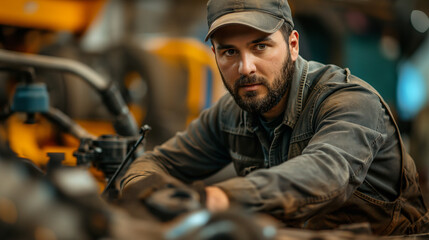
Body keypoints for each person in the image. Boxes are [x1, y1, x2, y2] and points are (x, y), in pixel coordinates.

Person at [121, 0, 429, 235]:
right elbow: (157, 162)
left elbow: (323, 174)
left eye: (260, 47)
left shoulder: (350, 101)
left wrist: (218, 198)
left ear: (293, 45)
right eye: (229, 52)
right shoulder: (231, 114)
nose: (245, 67)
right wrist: (144, 189)